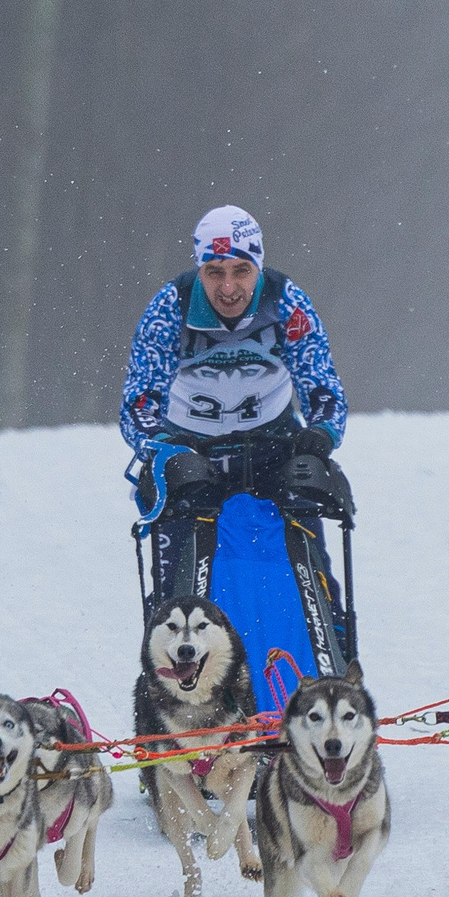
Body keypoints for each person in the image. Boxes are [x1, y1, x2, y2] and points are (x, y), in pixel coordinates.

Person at [121, 206, 350, 609]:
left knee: (315, 576)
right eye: (214, 272)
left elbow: (322, 386)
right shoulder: (170, 307)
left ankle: (328, 635)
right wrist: (162, 447)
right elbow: (139, 401)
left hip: (274, 444)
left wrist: (321, 434)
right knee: (176, 591)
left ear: (258, 267)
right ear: (199, 270)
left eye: (241, 270)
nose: (228, 288)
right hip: (189, 448)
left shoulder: (287, 302)